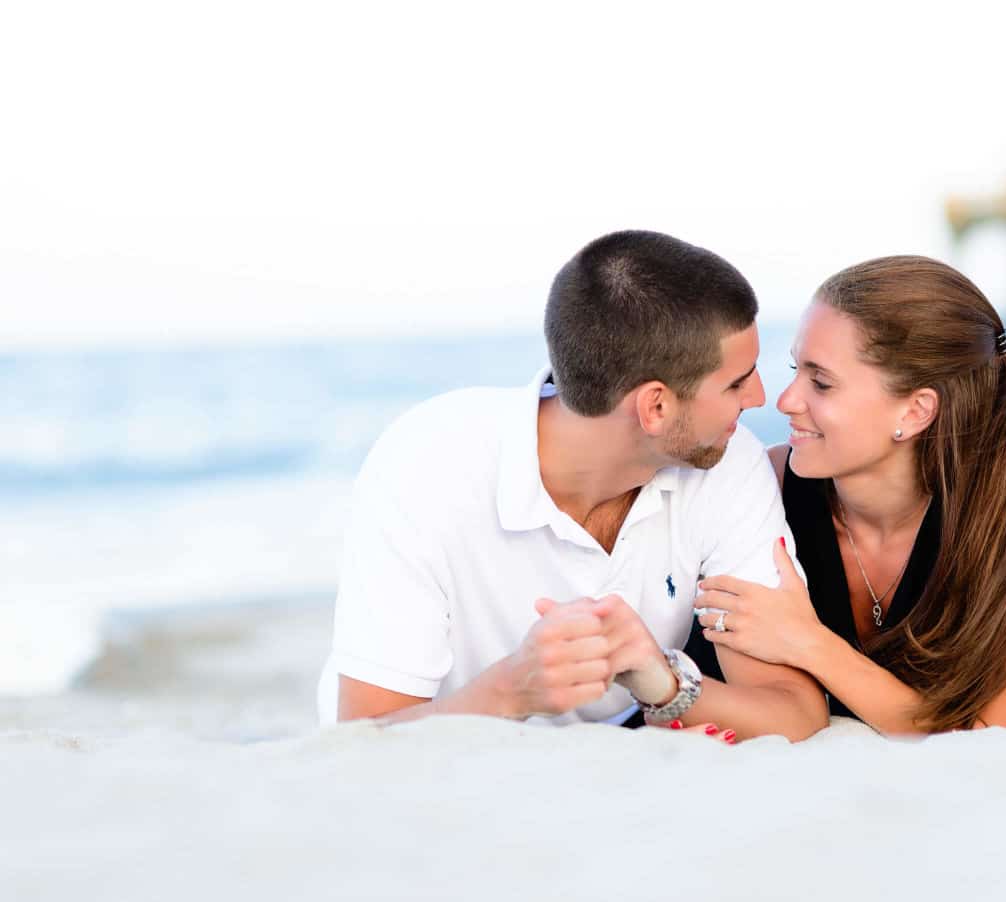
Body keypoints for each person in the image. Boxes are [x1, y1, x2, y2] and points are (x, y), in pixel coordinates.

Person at [319, 230, 828, 742]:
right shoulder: (427, 463)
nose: (762, 397)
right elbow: (365, 744)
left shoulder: (727, 462)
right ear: (655, 407)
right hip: (455, 762)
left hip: (619, 754)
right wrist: (513, 691)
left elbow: (797, 716)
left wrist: (663, 681)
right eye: (736, 383)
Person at [687, 256, 1006, 734]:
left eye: (821, 382)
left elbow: (985, 733)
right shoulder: (764, 488)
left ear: (917, 411)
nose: (785, 400)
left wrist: (809, 642)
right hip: (928, 688)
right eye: (795, 369)